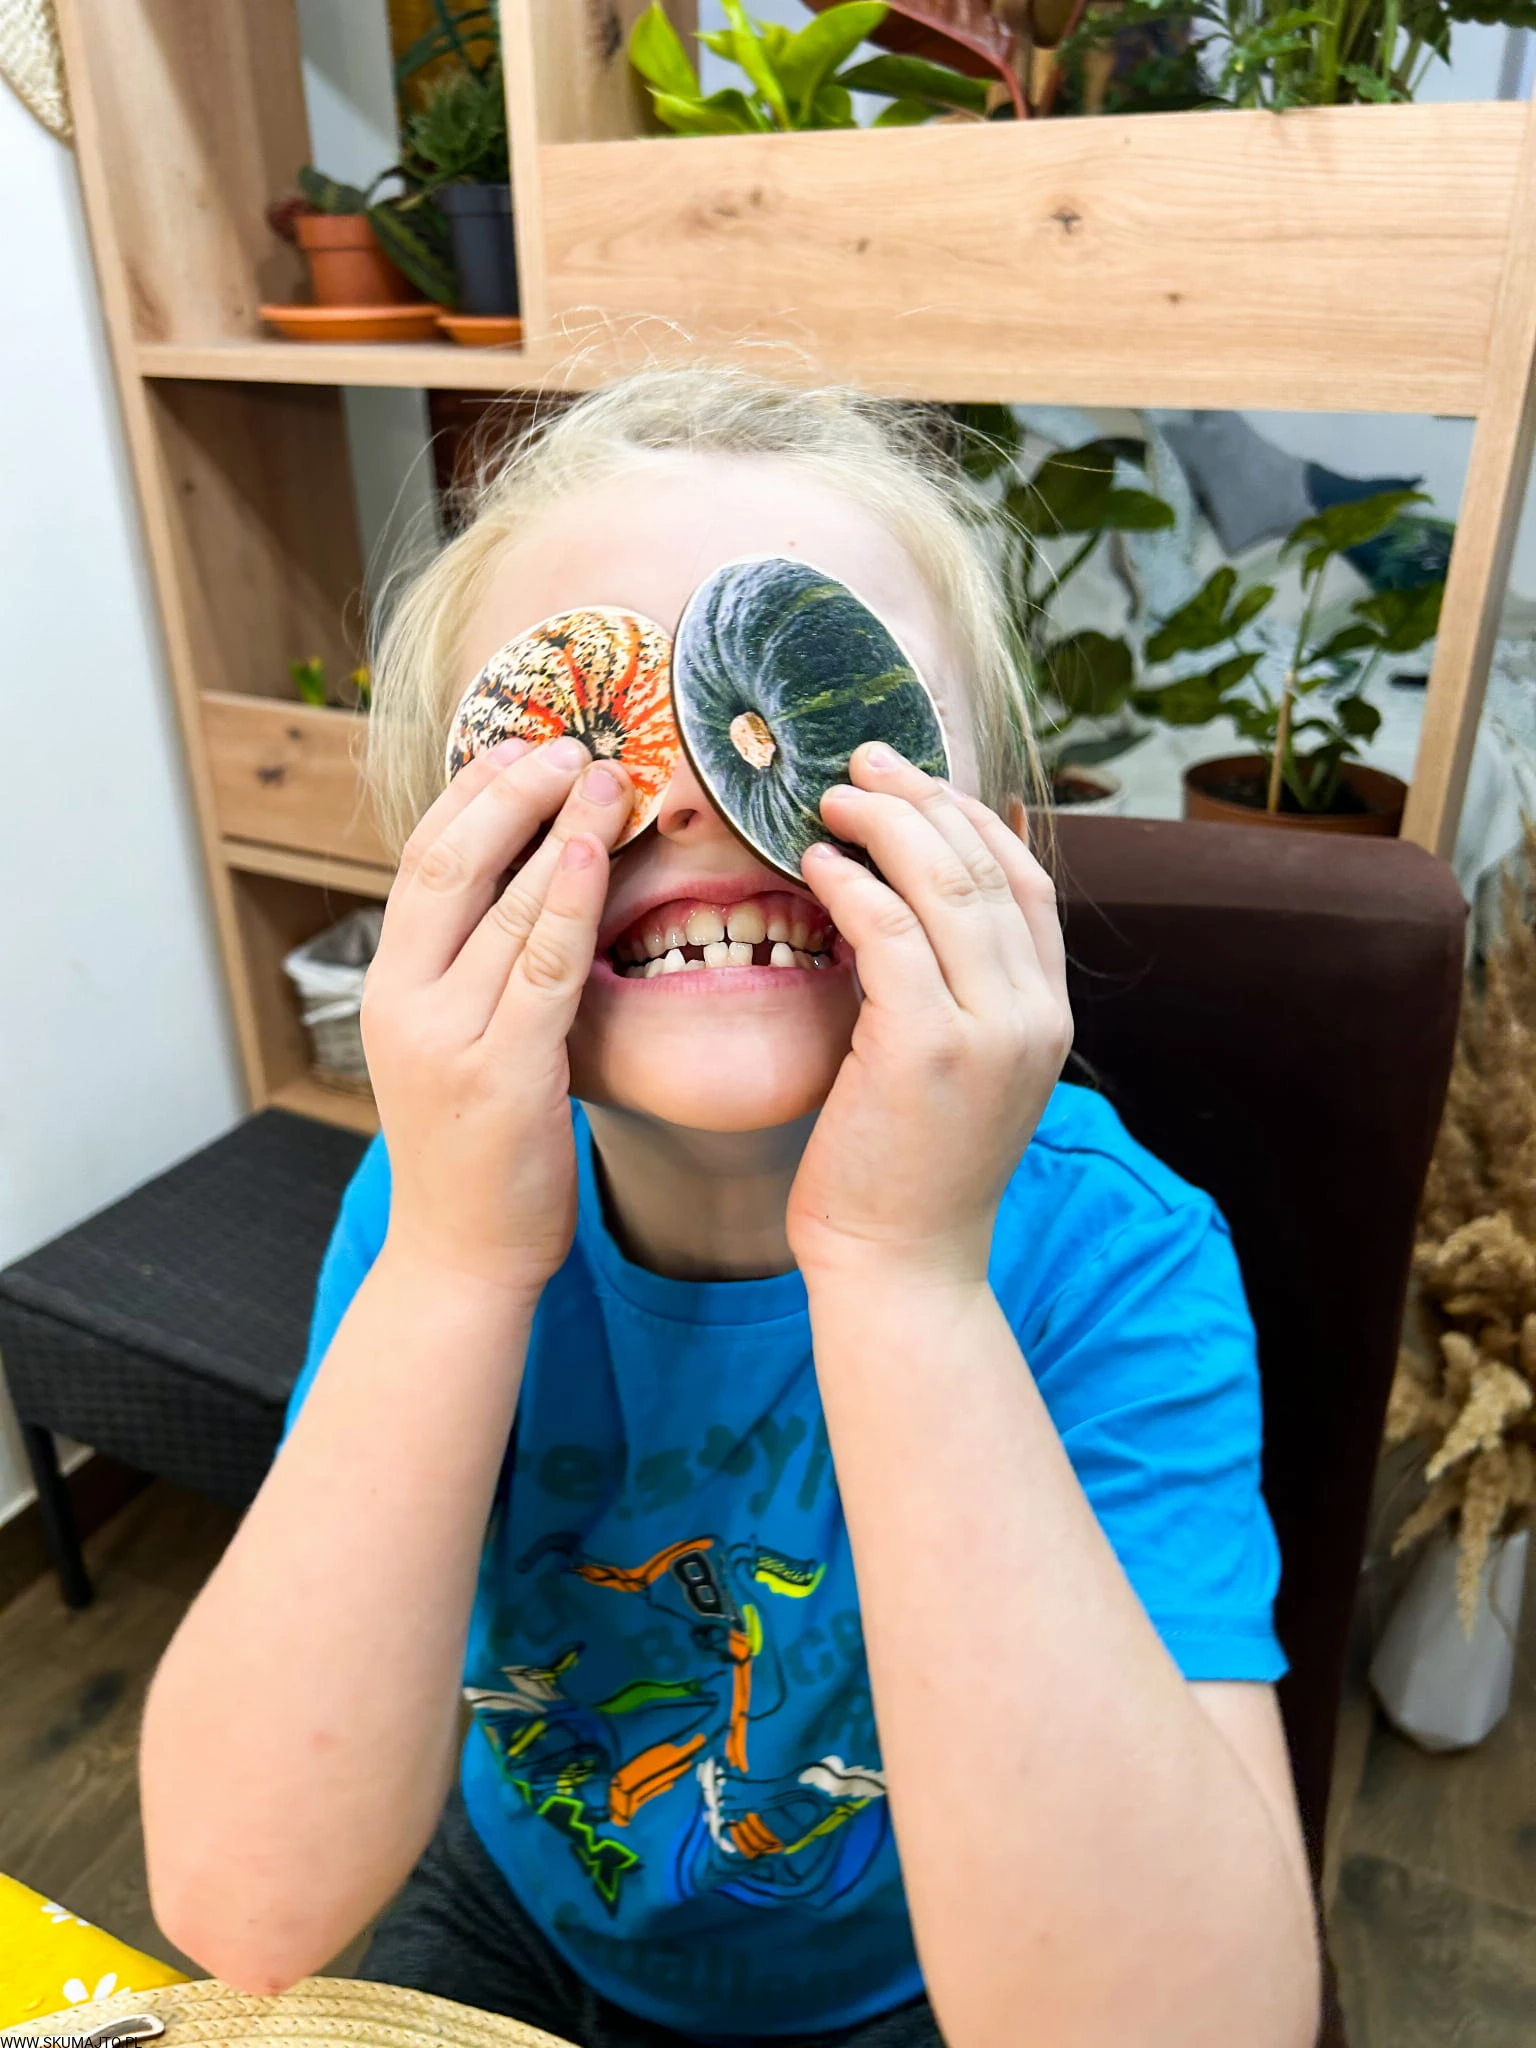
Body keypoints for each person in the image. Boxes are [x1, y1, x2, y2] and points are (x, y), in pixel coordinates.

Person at [139, 367, 1321, 2048]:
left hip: (942, 1974)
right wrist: (458, 1263)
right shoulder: (431, 1206)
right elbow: (243, 1902)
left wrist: (906, 1277)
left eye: (828, 706)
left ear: (994, 847)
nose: (692, 793)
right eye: (580, 740)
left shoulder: (1115, 1261)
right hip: (527, 1907)